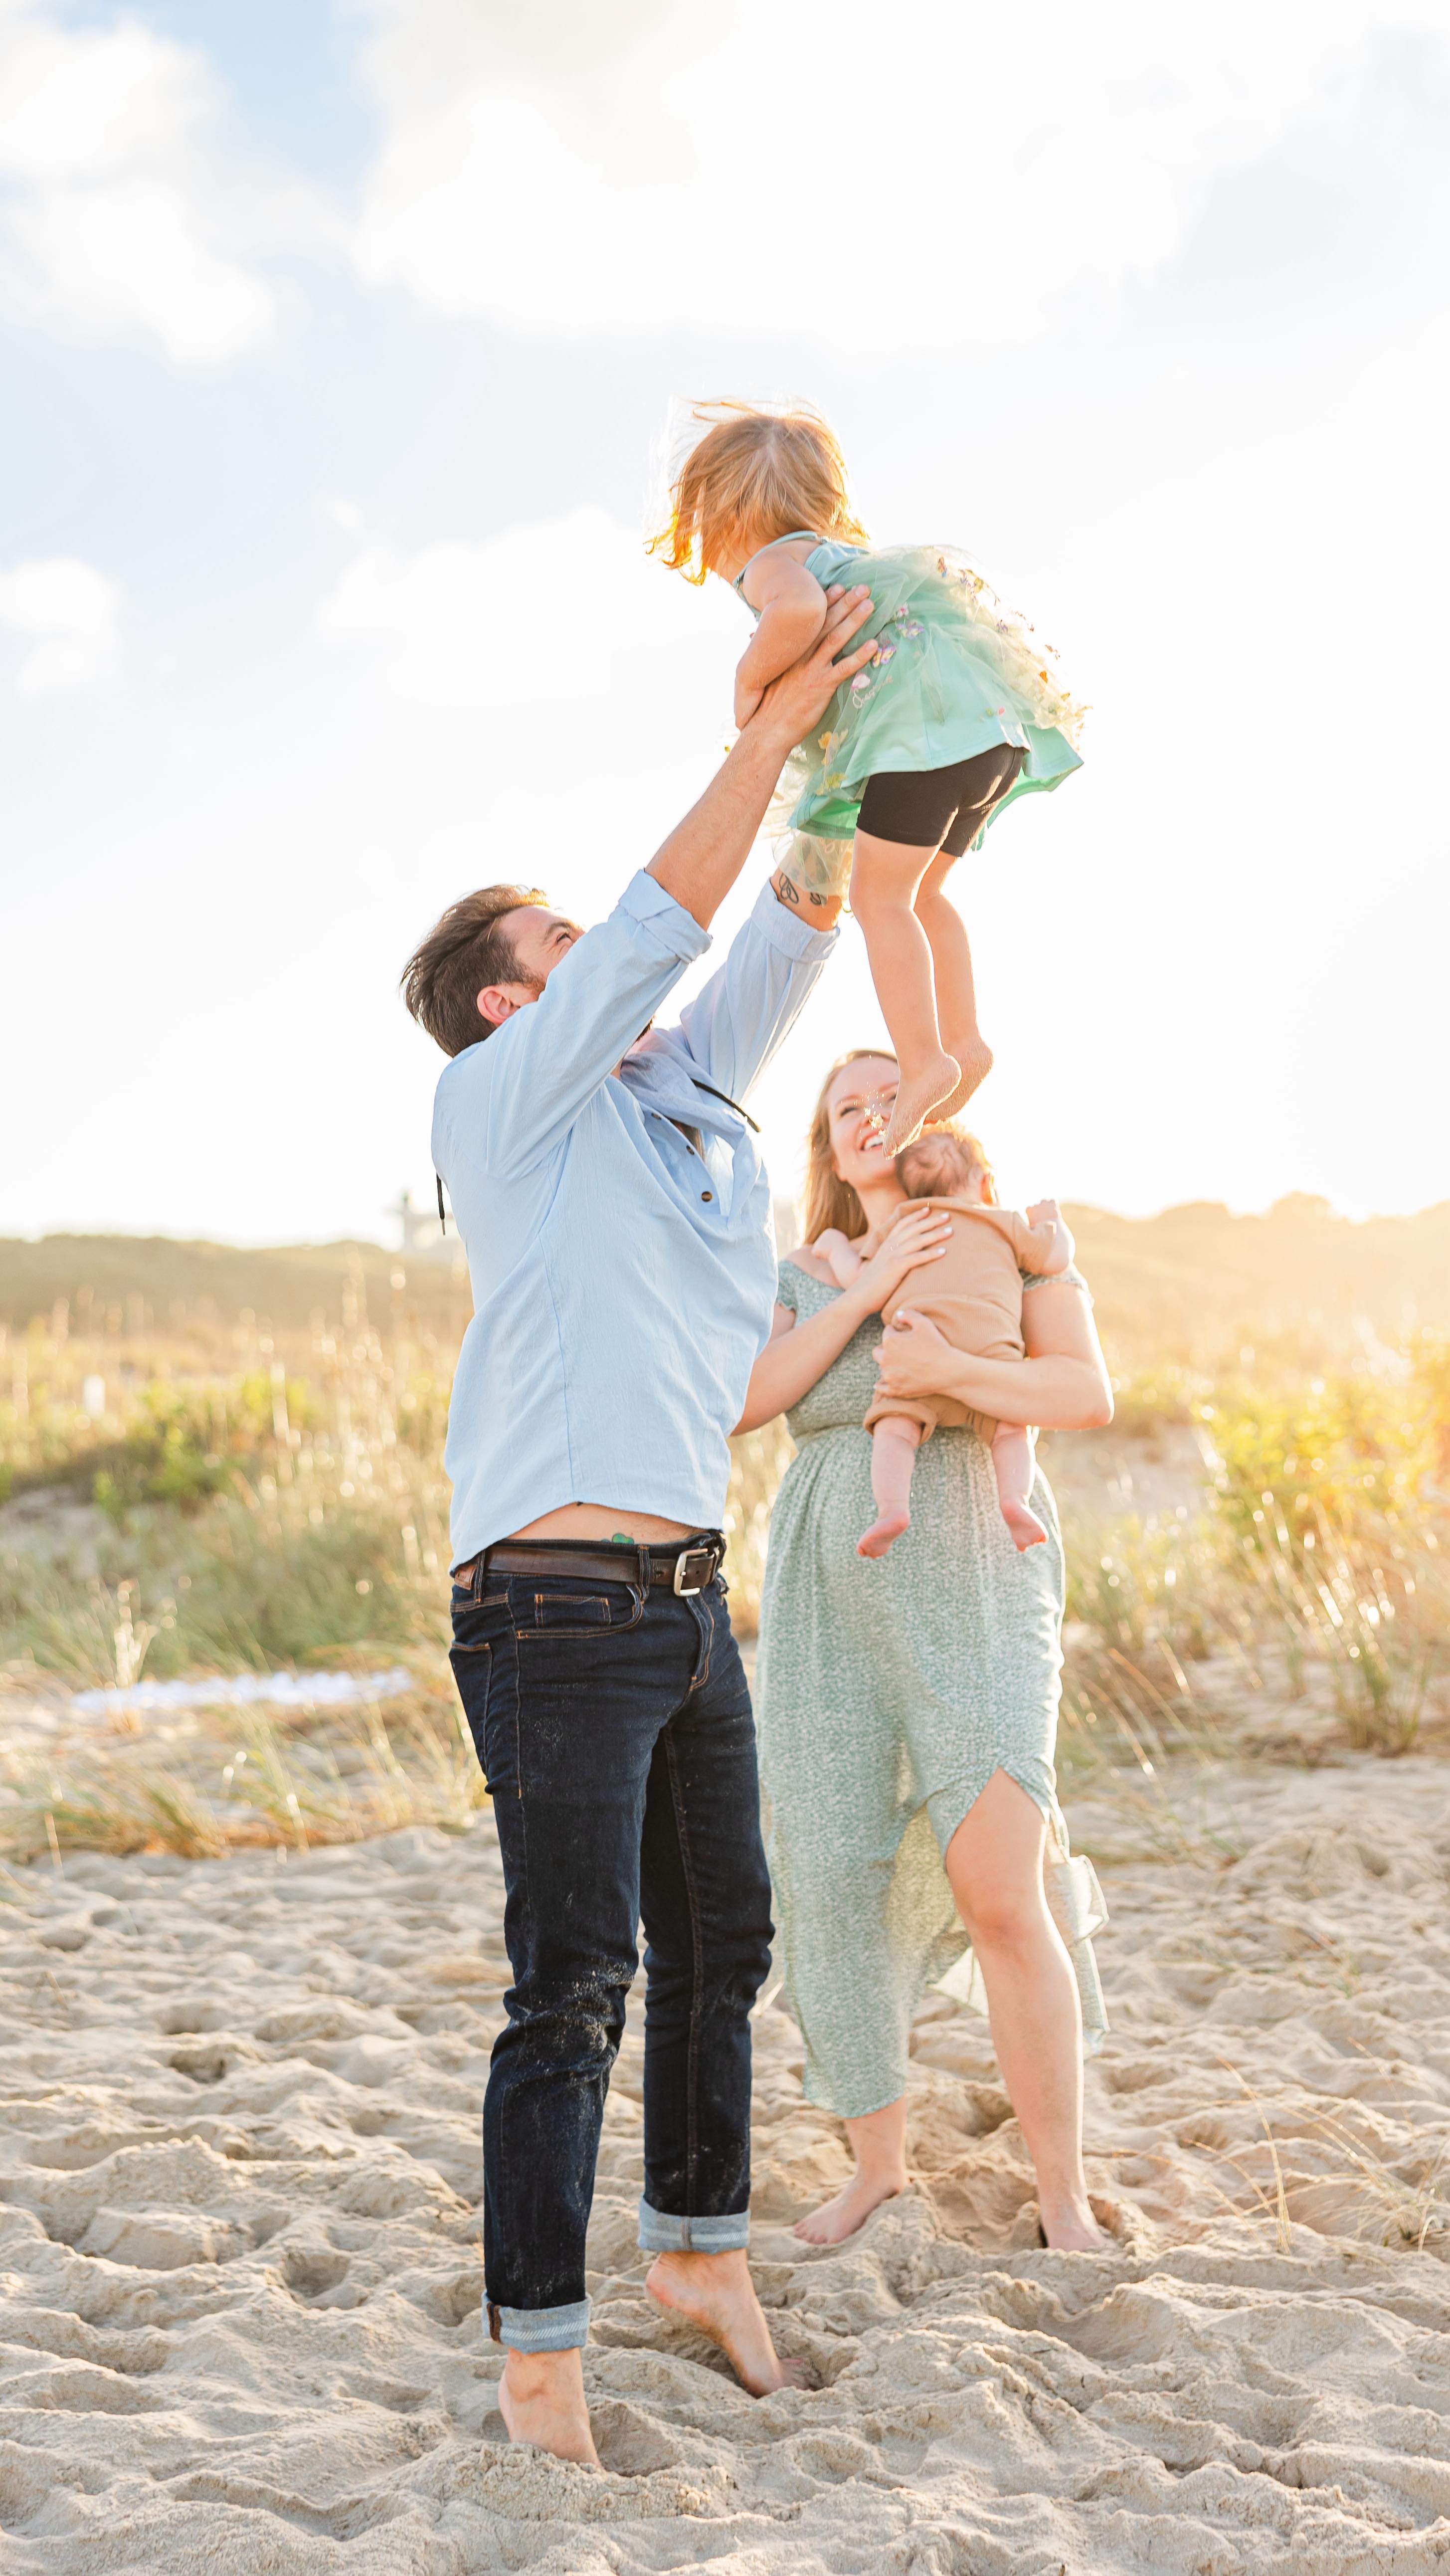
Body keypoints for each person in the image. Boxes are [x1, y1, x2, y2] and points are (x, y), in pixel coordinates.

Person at [398, 585, 877, 2468]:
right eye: (568, 940)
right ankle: (537, 2360)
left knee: (723, 1944)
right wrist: (755, 729)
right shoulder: (499, 1098)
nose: (611, 951)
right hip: (551, 1611)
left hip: (686, 1603)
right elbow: (679, 910)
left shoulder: (688, 1109)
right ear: (519, 996)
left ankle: (696, 2249)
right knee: (573, 1980)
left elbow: (793, 919)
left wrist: (843, 747)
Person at [738, 1049, 1113, 2250]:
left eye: (884, 1097)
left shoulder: (1011, 1243)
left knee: (1003, 1886)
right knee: (832, 1870)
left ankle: (1061, 2194)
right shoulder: (802, 1272)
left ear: (928, 1119)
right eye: (841, 1108)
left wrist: (944, 1366)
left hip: (977, 1563)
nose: (863, 1117)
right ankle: (878, 2166)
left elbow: (1081, 1390)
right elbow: (745, 1402)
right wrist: (859, 1295)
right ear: (827, 1149)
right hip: (830, 1586)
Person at [650, 400, 1086, 1153]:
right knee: (923, 895)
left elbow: (796, 611)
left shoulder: (775, 565)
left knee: (877, 898)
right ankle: (967, 1036)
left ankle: (924, 1062)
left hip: (916, 744)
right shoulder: (842, 556)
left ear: (724, 519)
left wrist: (748, 682)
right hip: (983, 735)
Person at [816, 1124, 1074, 1559]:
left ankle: (891, 1510)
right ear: (986, 1184)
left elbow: (859, 1279)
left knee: (894, 1432)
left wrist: (835, 1247)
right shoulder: (1002, 1221)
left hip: (914, 1356)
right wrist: (1051, 1219)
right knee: (1012, 1431)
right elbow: (1056, 1257)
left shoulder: (904, 1225)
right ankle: (1015, 1500)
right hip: (993, 1363)